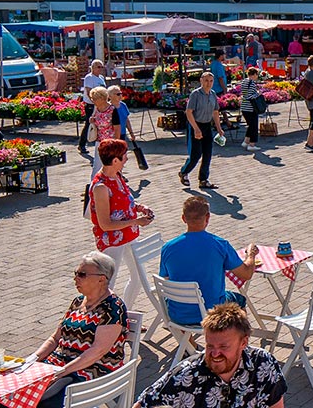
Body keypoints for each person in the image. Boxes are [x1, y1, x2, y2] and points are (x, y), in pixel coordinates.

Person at [135, 302, 288, 408]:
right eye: (210, 345)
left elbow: (276, 404)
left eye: (223, 346)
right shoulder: (185, 375)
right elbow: (143, 404)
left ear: (243, 343)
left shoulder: (263, 363)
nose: (215, 353)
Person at [28, 252, 130, 408]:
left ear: (101, 279)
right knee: (11, 392)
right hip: (60, 364)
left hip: (93, 369)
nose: (75, 278)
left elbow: (98, 351)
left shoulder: (113, 308)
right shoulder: (77, 302)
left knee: (44, 403)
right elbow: (55, 338)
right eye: (76, 273)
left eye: (82, 274)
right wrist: (33, 359)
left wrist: (62, 371)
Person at [159, 195, 257, 325]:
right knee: (239, 299)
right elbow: (246, 274)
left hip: (177, 312)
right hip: (212, 312)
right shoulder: (220, 245)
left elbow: (165, 278)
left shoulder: (168, 247)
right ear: (208, 217)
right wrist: (251, 255)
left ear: (183, 218)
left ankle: (189, 345)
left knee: (180, 295)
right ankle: (238, 341)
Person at [86, 138, 154, 304]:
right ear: (115, 160)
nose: (127, 159)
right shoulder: (101, 187)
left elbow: (123, 202)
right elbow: (105, 224)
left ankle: (125, 314)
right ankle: (105, 322)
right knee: (109, 283)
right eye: (124, 156)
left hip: (129, 236)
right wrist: (135, 222)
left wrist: (139, 207)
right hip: (113, 241)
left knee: (138, 277)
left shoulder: (117, 176)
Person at [180, 71, 220, 188]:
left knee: (207, 154)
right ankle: (184, 172)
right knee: (196, 155)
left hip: (207, 125)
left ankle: (203, 179)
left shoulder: (212, 94)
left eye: (211, 81)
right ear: (201, 81)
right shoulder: (195, 94)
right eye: (206, 80)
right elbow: (189, 112)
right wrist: (196, 129)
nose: (208, 83)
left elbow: (215, 112)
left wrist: (218, 128)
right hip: (195, 125)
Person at [236, 68, 266, 151]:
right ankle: (252, 144)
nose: (257, 77)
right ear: (254, 74)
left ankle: (246, 141)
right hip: (251, 108)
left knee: (250, 125)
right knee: (254, 126)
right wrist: (258, 94)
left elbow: (245, 94)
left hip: (244, 107)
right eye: (256, 75)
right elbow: (250, 96)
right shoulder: (251, 83)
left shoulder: (244, 81)